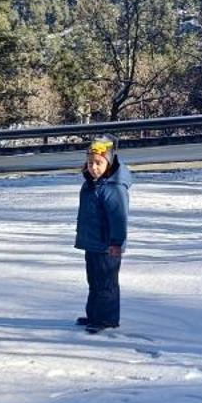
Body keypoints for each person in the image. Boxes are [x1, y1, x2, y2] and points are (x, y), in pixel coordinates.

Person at [74, 136, 131, 333]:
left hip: (108, 245)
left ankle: (107, 319)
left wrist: (117, 242)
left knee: (106, 283)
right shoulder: (92, 184)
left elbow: (118, 218)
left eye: (98, 163)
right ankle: (94, 315)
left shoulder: (113, 188)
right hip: (92, 242)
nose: (93, 168)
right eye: (90, 163)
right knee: (94, 281)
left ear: (109, 163)